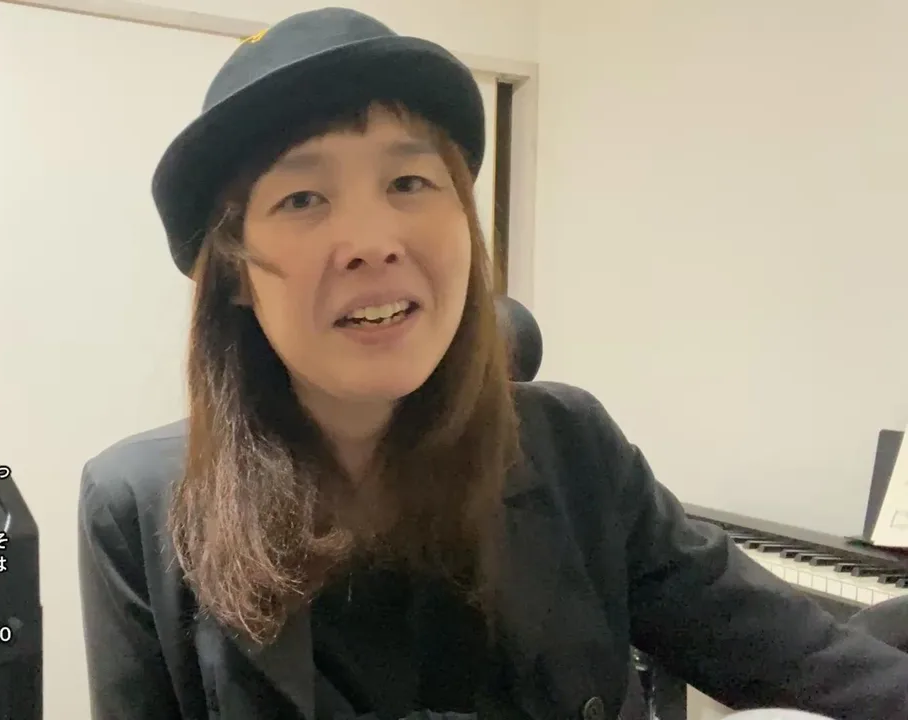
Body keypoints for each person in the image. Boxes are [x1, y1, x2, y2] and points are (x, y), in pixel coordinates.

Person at [77, 8, 908, 720]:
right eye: (302, 198)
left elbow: (813, 662)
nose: (372, 241)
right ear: (233, 273)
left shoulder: (573, 448)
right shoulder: (138, 505)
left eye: (410, 181)